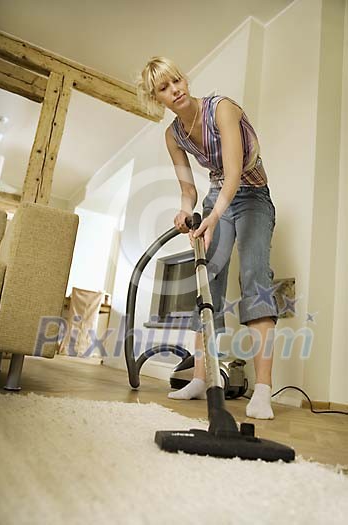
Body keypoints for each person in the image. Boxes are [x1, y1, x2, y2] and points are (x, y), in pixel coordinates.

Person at [137, 57, 279, 419]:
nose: (176, 90)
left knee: (254, 277)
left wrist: (214, 217)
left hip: (252, 197)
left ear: (185, 78)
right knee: (207, 284)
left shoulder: (223, 109)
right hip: (218, 198)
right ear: (158, 99)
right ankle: (202, 378)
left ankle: (262, 390)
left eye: (177, 80)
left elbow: (233, 171)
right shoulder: (174, 135)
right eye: (164, 88)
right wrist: (185, 210)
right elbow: (188, 188)